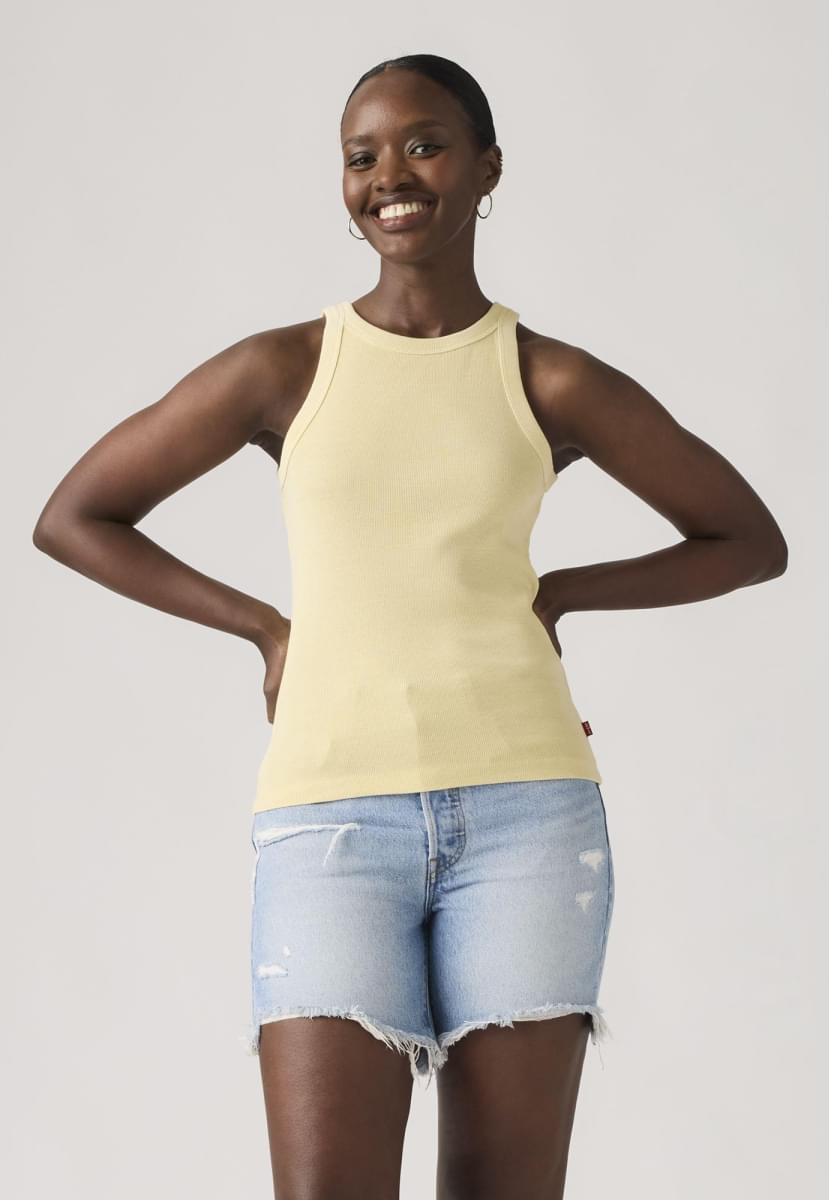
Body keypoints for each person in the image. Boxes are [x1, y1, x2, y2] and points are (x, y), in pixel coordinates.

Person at [33, 52, 788, 1200]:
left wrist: (565, 590)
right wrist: (264, 629)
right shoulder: (287, 369)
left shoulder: (547, 379)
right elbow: (75, 516)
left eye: (424, 144)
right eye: (362, 155)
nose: (390, 174)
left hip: (528, 821)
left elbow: (746, 539)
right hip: (329, 826)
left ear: (488, 169)